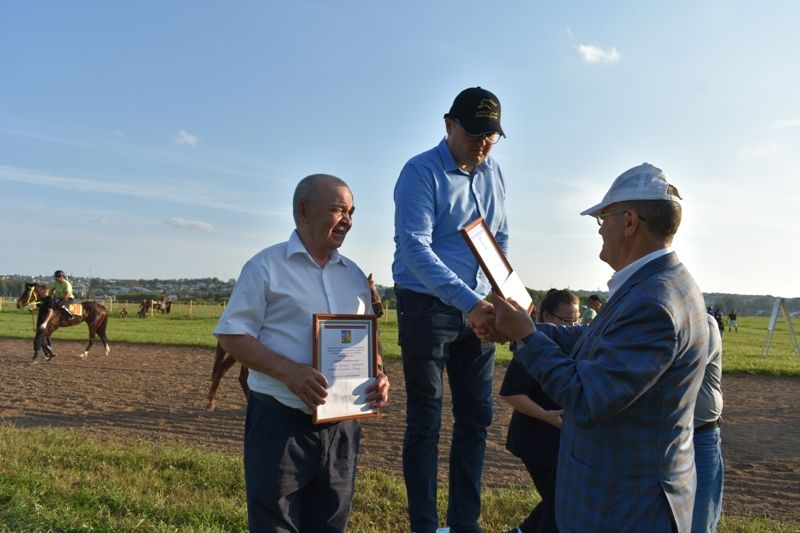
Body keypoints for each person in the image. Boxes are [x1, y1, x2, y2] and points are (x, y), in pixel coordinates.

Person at [487, 163, 709, 532]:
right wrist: (521, 328)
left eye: (603, 219)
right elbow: (592, 340)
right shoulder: (658, 284)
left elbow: (588, 398)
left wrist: (526, 337)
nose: (601, 230)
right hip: (625, 498)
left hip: (624, 505)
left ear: (629, 221)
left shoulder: (652, 302)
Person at [214, 174, 390, 532]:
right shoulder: (265, 267)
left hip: (343, 429)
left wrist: (380, 373)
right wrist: (289, 372)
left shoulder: (355, 275)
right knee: (274, 525)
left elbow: (368, 339)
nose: (348, 221)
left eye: (352, 212)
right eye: (339, 209)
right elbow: (232, 336)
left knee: (331, 524)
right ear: (303, 211)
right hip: (280, 425)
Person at [392, 86, 508, 533]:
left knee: (476, 417)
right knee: (427, 417)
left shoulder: (494, 172)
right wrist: (471, 302)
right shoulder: (420, 172)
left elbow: (499, 239)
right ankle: (423, 524)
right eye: (475, 133)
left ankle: (465, 523)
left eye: (491, 135)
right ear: (449, 125)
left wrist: (503, 294)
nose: (483, 143)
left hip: (479, 308)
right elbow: (415, 251)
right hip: (427, 306)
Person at [500, 288, 579, 533]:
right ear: (545, 315)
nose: (571, 326)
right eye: (565, 320)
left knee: (557, 502)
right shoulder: (530, 348)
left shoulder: (572, 342)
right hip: (535, 439)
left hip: (559, 440)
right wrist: (546, 415)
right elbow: (511, 393)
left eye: (576, 320)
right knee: (559, 508)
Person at [693, 314, 724, 532]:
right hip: (664, 437)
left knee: (700, 517)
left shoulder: (705, 323)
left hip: (700, 435)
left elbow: (684, 362)